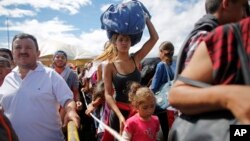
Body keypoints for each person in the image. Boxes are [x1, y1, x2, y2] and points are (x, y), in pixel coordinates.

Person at [169, 16, 250, 133]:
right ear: (226, 4)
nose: (244, 13)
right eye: (242, 6)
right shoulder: (224, 36)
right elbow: (179, 92)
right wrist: (231, 96)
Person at [0, 33, 80, 141]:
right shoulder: (6, 79)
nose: (23, 51)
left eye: (28, 47)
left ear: (38, 53)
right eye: (18, 47)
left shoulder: (51, 75)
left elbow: (67, 100)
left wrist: (71, 111)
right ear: (13, 53)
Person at [104, 15, 158, 138]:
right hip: (119, 113)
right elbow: (107, 94)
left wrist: (146, 19)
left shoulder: (136, 59)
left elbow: (154, 38)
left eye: (127, 40)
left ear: (131, 42)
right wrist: (119, 115)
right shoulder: (109, 66)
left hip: (139, 112)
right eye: (121, 39)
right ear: (115, 42)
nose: (124, 42)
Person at [175, 0, 248, 77]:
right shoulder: (206, 38)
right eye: (243, 7)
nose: (245, 15)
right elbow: (190, 86)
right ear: (226, 4)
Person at [150, 41, 176, 141]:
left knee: (163, 127)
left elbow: (154, 87)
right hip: (172, 101)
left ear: (161, 52)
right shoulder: (174, 64)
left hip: (162, 101)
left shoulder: (161, 65)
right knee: (169, 127)